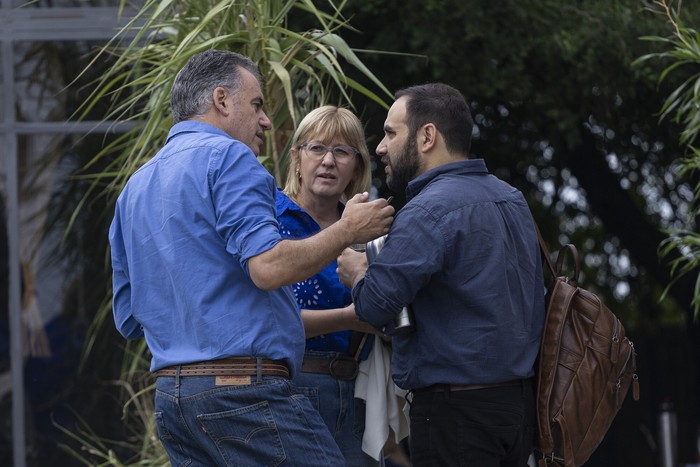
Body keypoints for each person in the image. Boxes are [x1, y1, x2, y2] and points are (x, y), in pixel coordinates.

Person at [108, 50, 394, 466]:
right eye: (257, 105)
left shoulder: (134, 186)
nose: (265, 121)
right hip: (243, 392)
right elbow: (268, 267)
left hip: (174, 399)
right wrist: (348, 230)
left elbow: (129, 319)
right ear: (222, 100)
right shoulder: (227, 156)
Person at [337, 82, 545, 467]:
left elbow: (373, 307)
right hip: (519, 410)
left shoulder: (428, 209)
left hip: (456, 415)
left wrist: (358, 272)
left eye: (390, 133)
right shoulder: (512, 199)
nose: (380, 147)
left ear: (427, 136)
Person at [276, 105, 386, 466]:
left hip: (363, 392)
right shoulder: (269, 221)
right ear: (296, 157)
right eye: (317, 148)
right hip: (289, 387)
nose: (328, 161)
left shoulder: (372, 229)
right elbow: (268, 320)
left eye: (341, 151)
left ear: (357, 165)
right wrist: (351, 318)